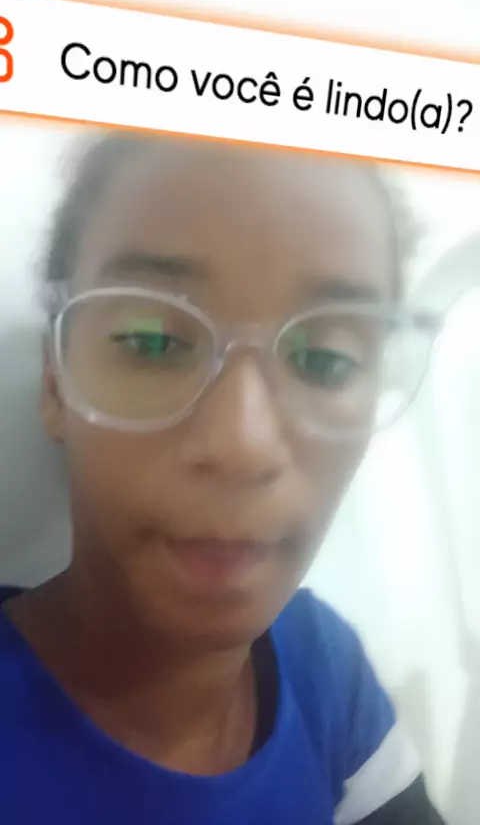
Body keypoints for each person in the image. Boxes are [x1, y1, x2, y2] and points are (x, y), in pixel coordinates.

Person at [0, 131, 445, 824]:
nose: (243, 446)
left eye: (326, 360)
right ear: (57, 379)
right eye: (153, 342)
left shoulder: (324, 663)